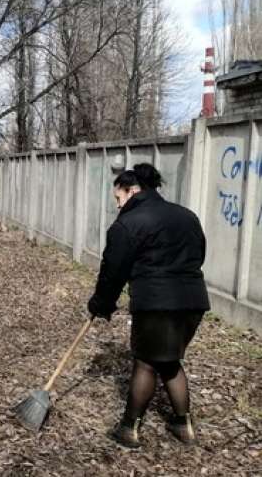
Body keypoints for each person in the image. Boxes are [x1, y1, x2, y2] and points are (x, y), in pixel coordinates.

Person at [87, 163, 209, 449]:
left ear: (132, 190)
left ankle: (129, 428)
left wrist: (101, 303)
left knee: (145, 362)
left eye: (118, 199)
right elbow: (199, 253)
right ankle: (183, 424)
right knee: (168, 360)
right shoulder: (186, 215)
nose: (118, 206)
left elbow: (113, 270)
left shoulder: (128, 224)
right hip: (193, 301)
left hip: (156, 302)